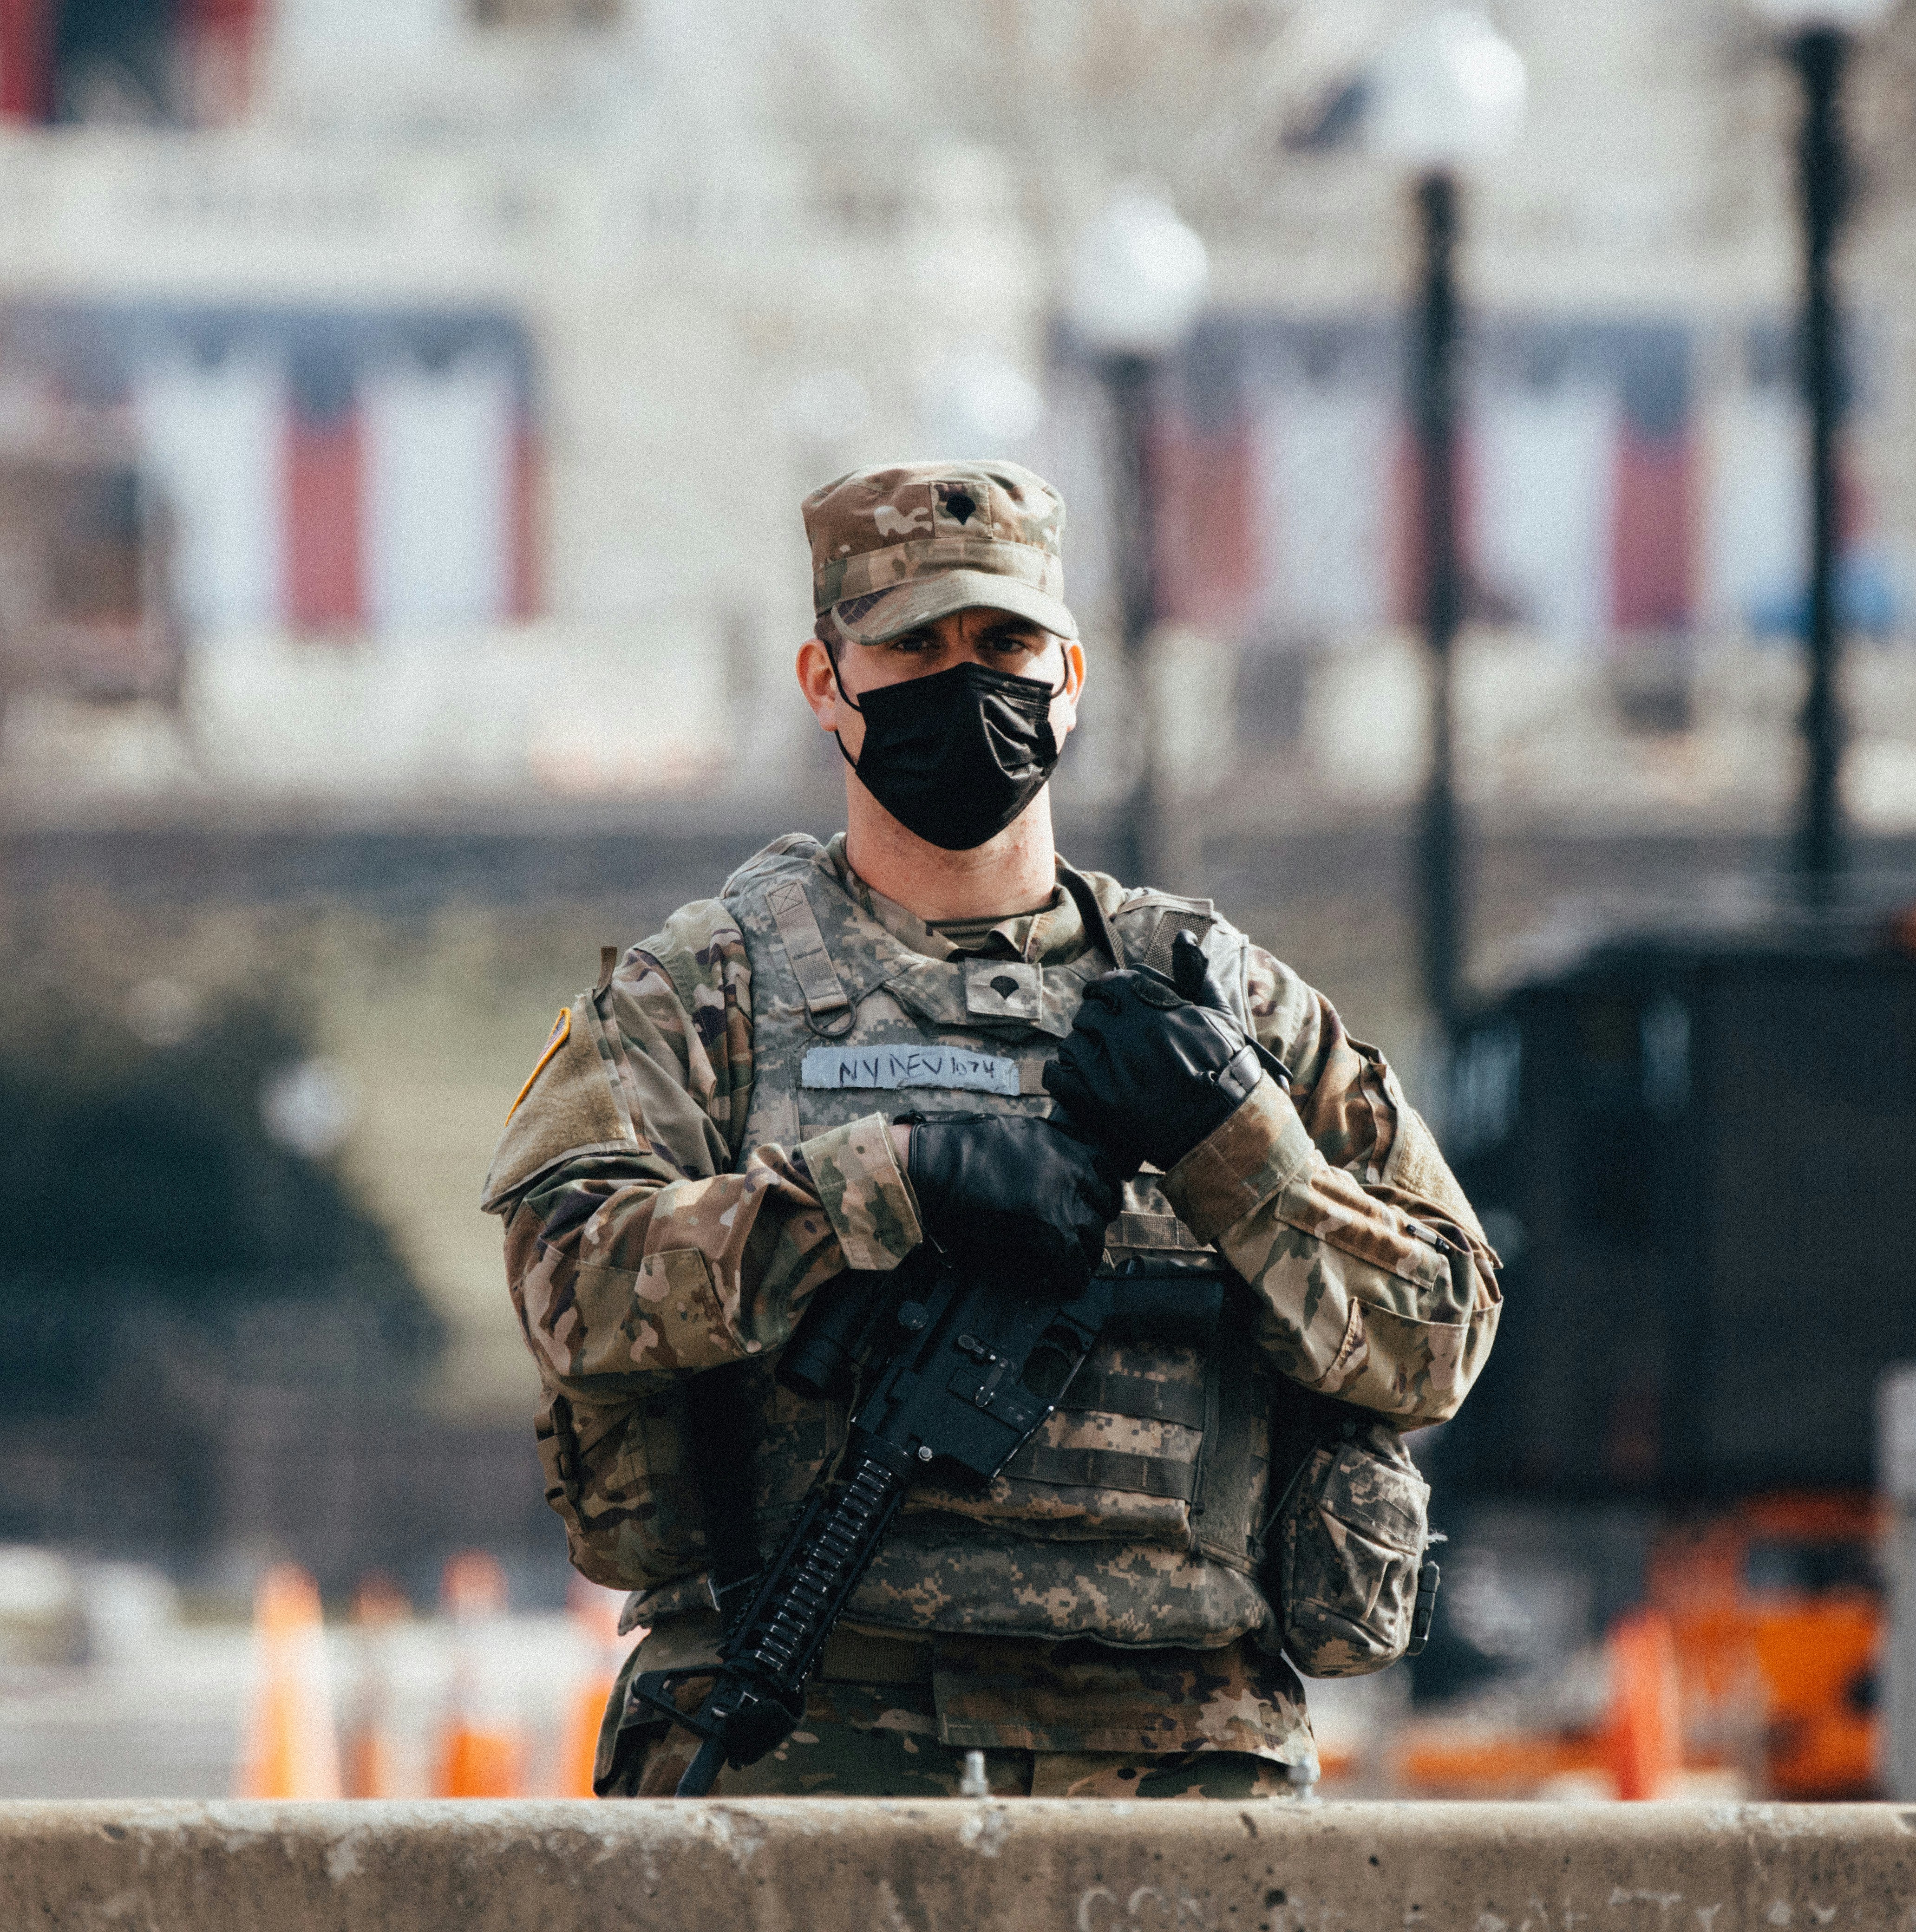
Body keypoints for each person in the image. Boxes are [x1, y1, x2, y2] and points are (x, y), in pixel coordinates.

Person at [481, 460, 1500, 1800]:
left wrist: (1237, 1144)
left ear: (1069, 673)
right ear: (825, 681)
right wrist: (889, 1184)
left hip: (1182, 1752)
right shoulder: (704, 990)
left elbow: (1441, 1340)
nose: (967, 680)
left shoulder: (1230, 1002)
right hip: (808, 1731)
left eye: (1006, 641)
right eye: (912, 645)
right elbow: (571, 1284)